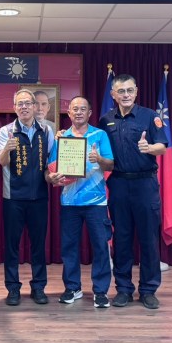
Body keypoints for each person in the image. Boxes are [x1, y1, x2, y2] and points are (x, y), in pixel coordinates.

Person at [98, 74, 167, 310]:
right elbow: (99, 149)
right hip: (118, 184)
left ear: (136, 92)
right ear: (113, 94)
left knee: (148, 239)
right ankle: (124, 289)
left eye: (129, 90)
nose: (126, 95)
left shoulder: (150, 116)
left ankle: (148, 290)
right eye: (121, 91)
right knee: (122, 238)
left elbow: (163, 147)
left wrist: (150, 148)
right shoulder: (106, 120)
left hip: (145, 185)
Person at [46, 96, 114, 308]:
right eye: (74, 109)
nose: (78, 112)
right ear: (69, 113)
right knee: (69, 248)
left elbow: (111, 164)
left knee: (100, 247)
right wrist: (52, 178)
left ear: (89, 113)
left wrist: (99, 159)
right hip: (69, 202)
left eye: (83, 109)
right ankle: (72, 288)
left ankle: (100, 291)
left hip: (96, 202)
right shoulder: (61, 138)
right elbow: (50, 171)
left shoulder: (100, 135)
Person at [0, 88, 55, 306]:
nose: (24, 107)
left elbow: (50, 163)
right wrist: (7, 148)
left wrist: (52, 176)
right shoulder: (6, 131)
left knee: (38, 245)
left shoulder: (46, 130)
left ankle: (38, 287)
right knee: (12, 245)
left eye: (27, 103)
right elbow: (2, 162)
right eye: (19, 104)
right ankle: (13, 288)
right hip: (13, 197)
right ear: (14, 108)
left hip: (39, 197)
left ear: (34, 106)